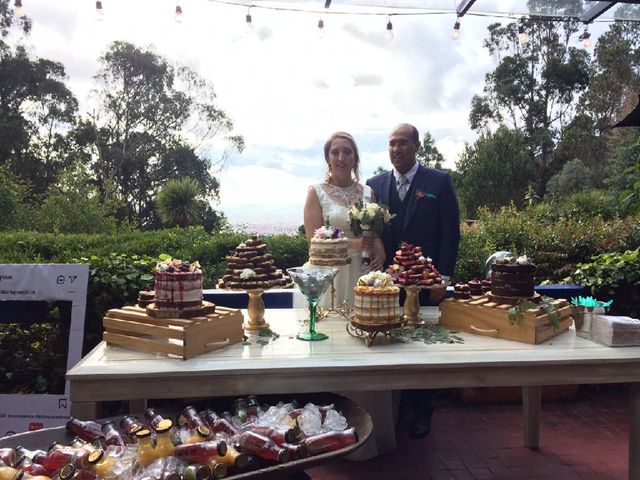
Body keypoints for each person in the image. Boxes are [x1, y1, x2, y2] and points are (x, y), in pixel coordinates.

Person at [367, 123, 461, 439]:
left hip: (425, 281)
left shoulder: (438, 181)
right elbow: (370, 233)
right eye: (392, 143)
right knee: (390, 344)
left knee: (424, 348)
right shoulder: (374, 185)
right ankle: (396, 408)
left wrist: (443, 279)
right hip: (385, 284)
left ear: (417, 145)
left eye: (403, 143)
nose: (396, 149)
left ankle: (424, 410)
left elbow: (451, 233)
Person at [303, 131, 385, 307]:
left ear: (355, 157)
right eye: (335, 152)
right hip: (330, 272)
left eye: (347, 152)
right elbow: (313, 241)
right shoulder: (316, 192)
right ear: (328, 158)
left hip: (363, 270)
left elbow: (374, 232)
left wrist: (380, 250)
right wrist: (354, 244)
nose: (341, 158)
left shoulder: (368, 193)